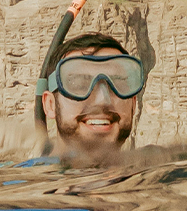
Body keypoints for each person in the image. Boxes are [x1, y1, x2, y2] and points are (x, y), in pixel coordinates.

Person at [39, 32, 147, 167]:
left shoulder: (160, 177)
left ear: (133, 103)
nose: (102, 100)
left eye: (117, 84)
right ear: (50, 105)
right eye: (79, 85)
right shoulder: (22, 182)